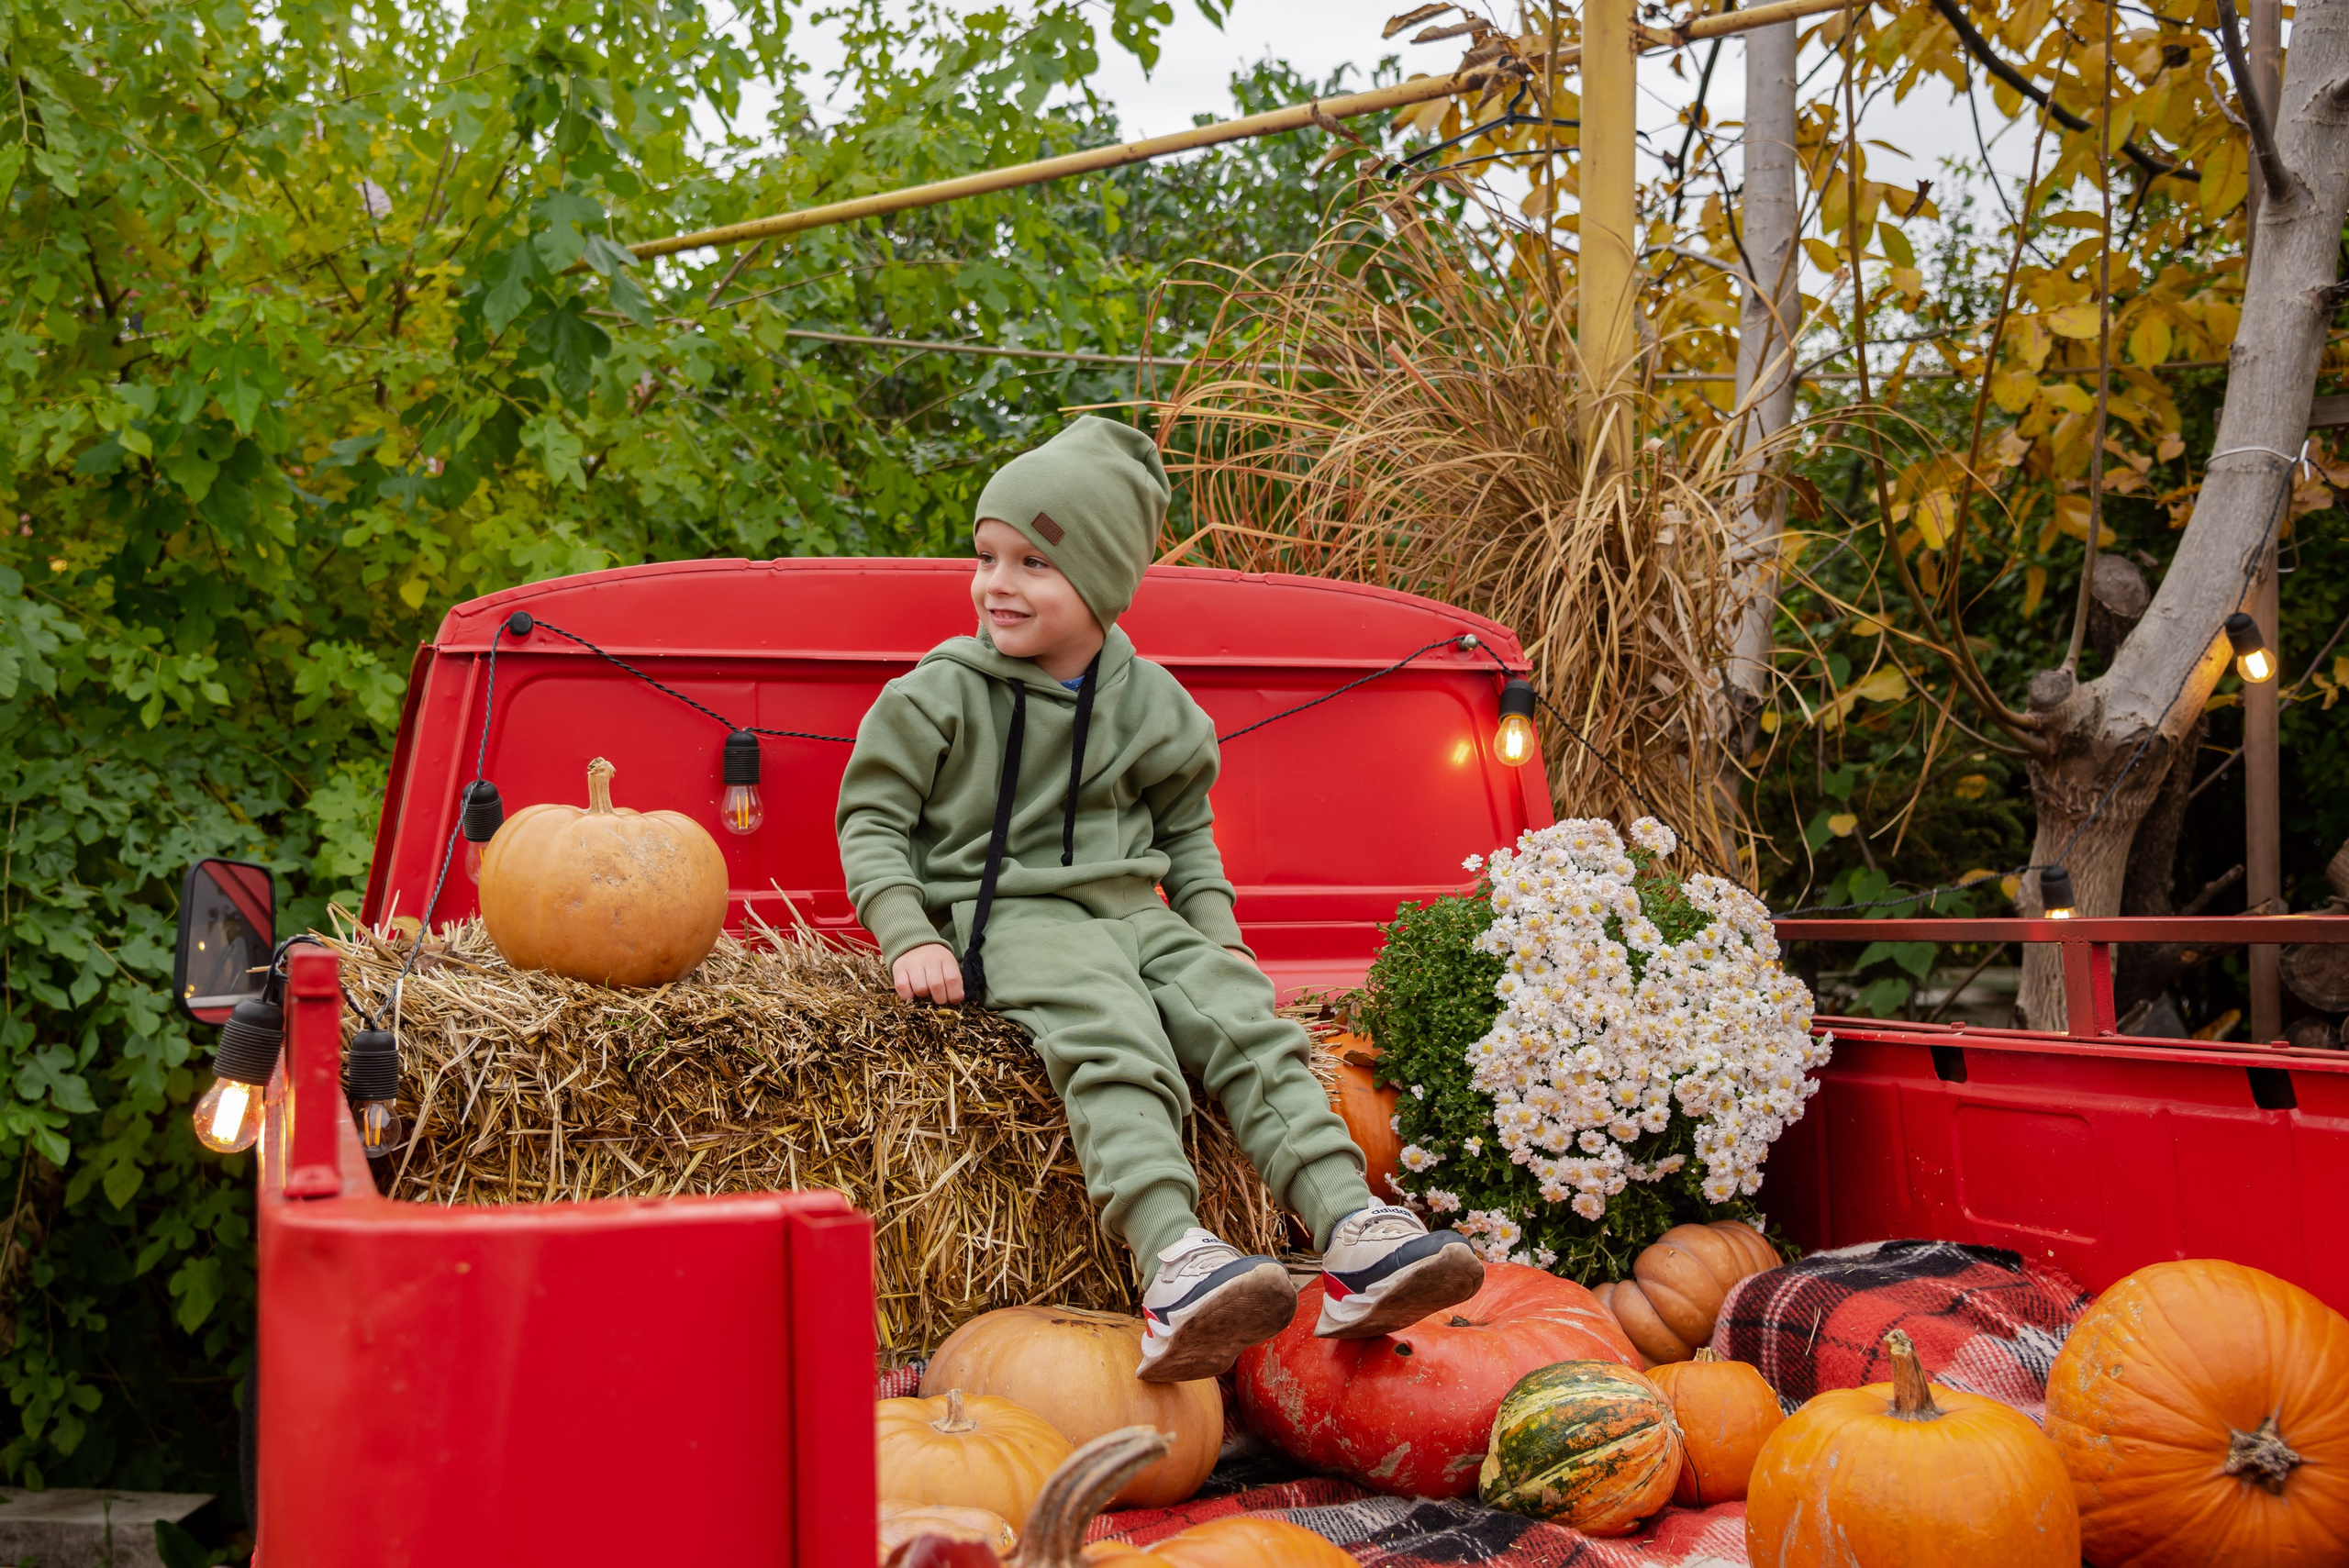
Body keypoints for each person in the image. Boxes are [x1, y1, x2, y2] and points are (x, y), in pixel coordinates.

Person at [837, 417, 1483, 1380]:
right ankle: (1173, 1256)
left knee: (1247, 1024)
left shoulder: (1158, 706)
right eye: (986, 555)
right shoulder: (938, 695)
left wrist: (1219, 940)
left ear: (1100, 582)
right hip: (1009, 915)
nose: (996, 583)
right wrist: (907, 932)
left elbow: (1187, 838)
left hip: (1136, 912)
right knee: (1113, 1033)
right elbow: (871, 820)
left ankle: (1353, 1227)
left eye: (1033, 562)